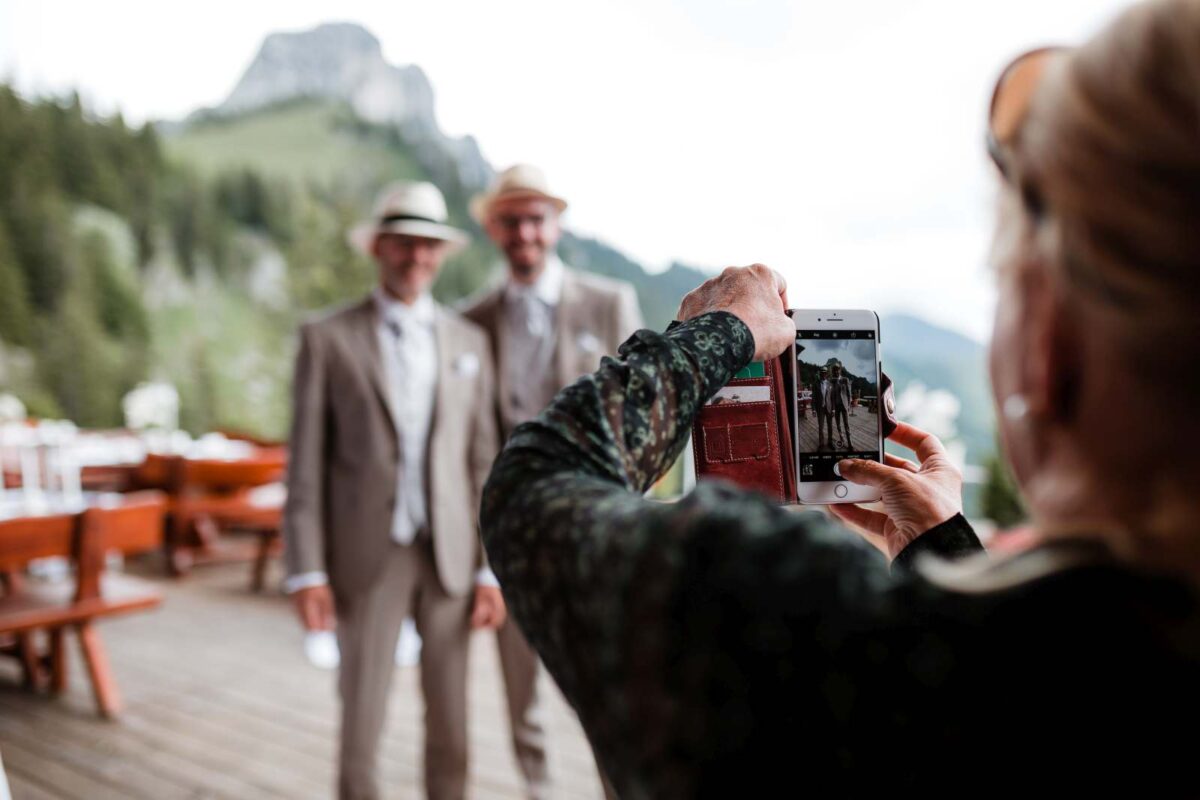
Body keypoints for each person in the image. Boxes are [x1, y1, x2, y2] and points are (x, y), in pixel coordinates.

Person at [478, 1, 1200, 795]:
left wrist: (715, 336)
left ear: (1049, 349)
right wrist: (945, 551)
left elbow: (532, 488)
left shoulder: (806, 628)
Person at [283, 181, 506, 800]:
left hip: (451, 556)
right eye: (403, 243)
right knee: (361, 723)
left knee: (453, 726)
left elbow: (483, 464)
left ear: (441, 253)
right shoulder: (325, 338)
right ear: (378, 248)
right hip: (364, 555)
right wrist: (306, 571)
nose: (416, 257)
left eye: (428, 245)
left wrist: (490, 570)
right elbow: (304, 464)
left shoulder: (470, 342)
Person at [461, 163, 642, 799]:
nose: (525, 232)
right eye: (511, 220)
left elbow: (644, 419)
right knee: (521, 694)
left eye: (536, 218)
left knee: (610, 695)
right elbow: (469, 441)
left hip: (598, 529)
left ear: (556, 224)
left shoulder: (608, 301)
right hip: (509, 532)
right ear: (492, 228)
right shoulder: (472, 318)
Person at [830, 364, 853, 450]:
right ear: (833, 372)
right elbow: (831, 396)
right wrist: (832, 408)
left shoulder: (845, 380)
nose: (836, 371)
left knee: (846, 425)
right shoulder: (832, 381)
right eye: (834, 370)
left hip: (844, 406)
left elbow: (849, 394)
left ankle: (850, 444)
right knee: (838, 425)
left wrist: (849, 406)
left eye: (837, 370)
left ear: (840, 370)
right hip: (836, 406)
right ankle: (842, 440)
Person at [811, 366, 830, 449]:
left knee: (830, 426)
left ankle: (830, 442)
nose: (823, 374)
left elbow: (831, 397)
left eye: (825, 373)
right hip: (820, 408)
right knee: (821, 426)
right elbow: (814, 397)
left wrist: (833, 409)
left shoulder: (830, 384)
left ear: (827, 374)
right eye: (822, 373)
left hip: (828, 408)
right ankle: (821, 443)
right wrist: (814, 410)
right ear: (820, 374)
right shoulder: (816, 384)